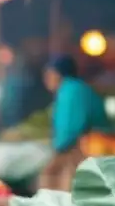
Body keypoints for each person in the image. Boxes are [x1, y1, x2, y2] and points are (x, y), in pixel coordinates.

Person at [40, 54, 109, 191]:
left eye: (49, 74)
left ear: (59, 74)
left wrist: (58, 149)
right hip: (87, 143)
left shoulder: (70, 91)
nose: (46, 80)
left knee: (55, 176)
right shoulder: (75, 88)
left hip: (86, 144)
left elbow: (70, 126)